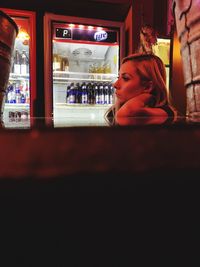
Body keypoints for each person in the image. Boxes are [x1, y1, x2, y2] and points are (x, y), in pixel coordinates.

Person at [105, 53, 177, 125]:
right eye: (118, 77)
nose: (115, 85)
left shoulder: (166, 112)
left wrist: (146, 97)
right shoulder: (114, 111)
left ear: (148, 87)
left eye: (125, 78)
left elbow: (127, 113)